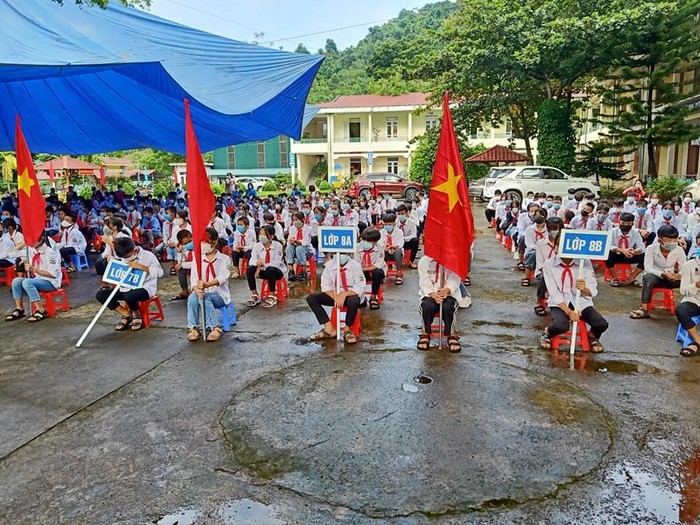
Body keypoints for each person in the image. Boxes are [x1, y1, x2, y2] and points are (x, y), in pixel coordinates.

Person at [540, 253, 608, 353]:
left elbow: (592, 290)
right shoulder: (549, 264)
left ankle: (592, 337)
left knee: (601, 324)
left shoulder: (584, 261)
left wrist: (583, 289)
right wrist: (569, 312)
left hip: (581, 302)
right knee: (561, 326)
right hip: (560, 303)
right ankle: (548, 333)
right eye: (558, 245)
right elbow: (553, 293)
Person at [95, 237, 163, 331]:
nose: (126, 259)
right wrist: (111, 259)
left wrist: (141, 267)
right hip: (125, 287)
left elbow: (160, 273)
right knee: (101, 295)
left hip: (144, 288)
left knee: (129, 296)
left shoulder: (148, 256)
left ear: (134, 249)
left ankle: (136, 313)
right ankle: (125, 313)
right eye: (124, 258)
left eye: (128, 256)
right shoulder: (121, 254)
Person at [306, 253, 365, 344]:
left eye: (343, 253)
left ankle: (347, 329)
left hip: (350, 294)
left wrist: (344, 294)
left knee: (353, 301)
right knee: (312, 298)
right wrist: (335, 296)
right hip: (334, 294)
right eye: (338, 254)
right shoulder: (329, 265)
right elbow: (325, 285)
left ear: (348, 254)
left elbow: (359, 287)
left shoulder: (355, 265)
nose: (341, 256)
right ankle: (329, 328)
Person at [630, 225, 685, 319]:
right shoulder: (651, 248)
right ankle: (644, 309)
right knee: (649, 277)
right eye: (669, 241)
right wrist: (663, 274)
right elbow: (648, 267)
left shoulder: (679, 250)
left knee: (691, 277)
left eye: (674, 240)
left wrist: (678, 275)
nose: (673, 243)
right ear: (660, 241)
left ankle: (688, 308)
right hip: (655, 278)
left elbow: (684, 266)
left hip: (672, 279)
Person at [5, 231, 62, 323]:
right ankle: (19, 309)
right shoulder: (31, 250)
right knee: (16, 281)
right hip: (38, 279)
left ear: (41, 239)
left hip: (51, 282)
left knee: (27, 282)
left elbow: (53, 274)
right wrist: (24, 260)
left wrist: (34, 269)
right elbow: (16, 253)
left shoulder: (50, 253)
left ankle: (40, 310)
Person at [186, 228, 231, 342]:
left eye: (205, 241)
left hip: (219, 295)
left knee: (205, 298)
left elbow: (222, 277)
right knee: (192, 298)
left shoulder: (224, 259)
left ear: (214, 242)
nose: (202, 245)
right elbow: (194, 279)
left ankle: (214, 327)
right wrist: (197, 290)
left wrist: (206, 285)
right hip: (202, 293)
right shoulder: (197, 259)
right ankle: (193, 327)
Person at [416, 255, 462, 353]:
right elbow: (424, 281)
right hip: (430, 294)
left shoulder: (454, 259)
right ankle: (425, 332)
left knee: (448, 307)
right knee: (427, 306)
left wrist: (447, 290)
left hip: (449, 294)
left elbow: (455, 279)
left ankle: (451, 334)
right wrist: (432, 294)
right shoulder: (424, 262)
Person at [246, 225, 286, 308]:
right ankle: (254, 294)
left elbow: (276, 263)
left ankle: (272, 295)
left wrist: (260, 267)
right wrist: (257, 263)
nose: (261, 237)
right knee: (250, 269)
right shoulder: (257, 246)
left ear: (271, 236)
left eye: (264, 235)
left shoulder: (278, 246)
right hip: (262, 270)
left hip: (277, 271)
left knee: (270, 269)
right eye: (260, 234)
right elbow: (251, 260)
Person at [676, 233, 700, 357]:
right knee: (681, 310)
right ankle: (697, 341)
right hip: (694, 301)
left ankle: (695, 345)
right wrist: (696, 285)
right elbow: (683, 291)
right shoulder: (689, 265)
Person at [605, 212, 645, 286]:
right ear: (619, 222)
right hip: (617, 255)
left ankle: (632, 277)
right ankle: (615, 278)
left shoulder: (635, 233)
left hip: (630, 255)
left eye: (628, 224)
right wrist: (622, 250)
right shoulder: (613, 231)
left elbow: (641, 247)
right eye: (623, 223)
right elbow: (608, 245)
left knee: (646, 256)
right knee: (608, 254)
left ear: (632, 224)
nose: (625, 225)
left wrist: (634, 252)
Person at [356, 227, 386, 310]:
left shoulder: (380, 248)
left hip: (374, 271)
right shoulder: (357, 247)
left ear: (375, 242)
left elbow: (378, 264)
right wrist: (361, 270)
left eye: (368, 241)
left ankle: (373, 297)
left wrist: (364, 269)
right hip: (362, 271)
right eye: (364, 240)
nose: (365, 243)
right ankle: (361, 298)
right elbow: (356, 263)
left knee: (378, 272)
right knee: (355, 275)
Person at [286, 212, 313, 281]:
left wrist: (296, 241)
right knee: (289, 247)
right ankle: (291, 271)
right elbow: (289, 240)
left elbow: (305, 242)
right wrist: (290, 241)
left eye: (296, 220)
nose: (295, 222)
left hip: (307, 250)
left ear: (302, 220)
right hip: (295, 249)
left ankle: (304, 271)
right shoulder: (292, 228)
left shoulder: (308, 229)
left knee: (299, 248)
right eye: (293, 220)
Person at [379, 213, 405, 285]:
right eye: (386, 224)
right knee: (379, 251)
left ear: (394, 223)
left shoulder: (399, 232)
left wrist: (391, 246)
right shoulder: (381, 232)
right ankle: (381, 275)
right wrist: (384, 247)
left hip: (396, 253)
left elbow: (400, 244)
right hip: (386, 253)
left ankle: (399, 274)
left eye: (389, 224)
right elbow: (379, 244)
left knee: (398, 251)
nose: (387, 226)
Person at [171, 229, 193, 301]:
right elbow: (180, 262)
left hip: (199, 267)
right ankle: (185, 291)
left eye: (189, 242)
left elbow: (196, 263)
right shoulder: (184, 248)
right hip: (189, 266)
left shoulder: (199, 246)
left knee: (181, 266)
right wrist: (179, 252)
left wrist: (182, 265)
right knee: (179, 269)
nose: (187, 245)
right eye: (185, 243)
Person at [397, 204, 419, 269]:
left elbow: (414, 235)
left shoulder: (411, 222)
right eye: (399, 214)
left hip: (407, 242)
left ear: (407, 213)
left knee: (415, 241)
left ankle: (411, 262)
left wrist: (404, 238)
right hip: (397, 243)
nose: (400, 215)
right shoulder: (395, 223)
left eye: (402, 213)